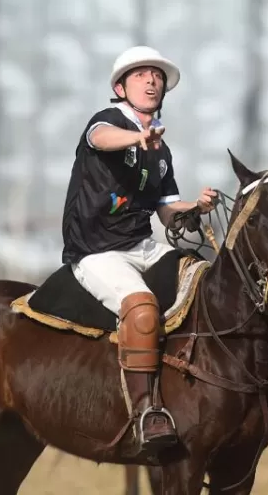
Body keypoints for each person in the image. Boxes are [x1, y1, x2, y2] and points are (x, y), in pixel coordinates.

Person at [60, 45, 218, 453]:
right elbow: (101, 139)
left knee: (208, 282)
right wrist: (137, 135)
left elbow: (167, 212)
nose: (151, 80)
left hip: (142, 245)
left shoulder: (161, 150)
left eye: (157, 75)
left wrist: (196, 207)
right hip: (96, 250)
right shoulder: (109, 122)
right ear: (120, 86)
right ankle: (147, 413)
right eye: (141, 74)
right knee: (142, 307)